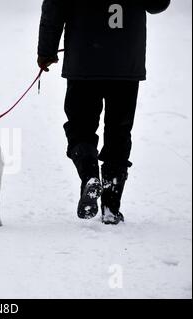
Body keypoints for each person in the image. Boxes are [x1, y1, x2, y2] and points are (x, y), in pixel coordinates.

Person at [37, 0, 171, 225]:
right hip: (126, 61)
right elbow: (158, 4)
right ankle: (111, 205)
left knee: (81, 127)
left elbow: (54, 6)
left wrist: (46, 50)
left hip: (84, 59)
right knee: (119, 131)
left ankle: (90, 176)